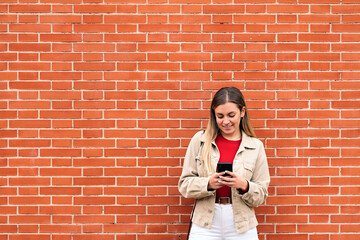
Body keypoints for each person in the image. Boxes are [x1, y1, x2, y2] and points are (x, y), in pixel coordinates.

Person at [178, 87, 270, 240]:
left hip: (242, 224)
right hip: (205, 223)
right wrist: (208, 183)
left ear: (242, 112)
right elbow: (184, 185)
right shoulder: (200, 141)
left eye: (231, 115)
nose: (225, 121)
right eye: (220, 116)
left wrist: (244, 185)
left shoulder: (255, 146)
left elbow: (262, 194)